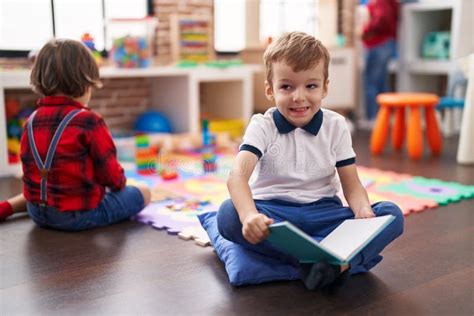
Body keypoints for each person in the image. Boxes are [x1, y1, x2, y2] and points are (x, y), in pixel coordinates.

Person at [216, 32, 404, 292]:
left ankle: (333, 265)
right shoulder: (262, 125)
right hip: (274, 215)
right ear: (270, 89)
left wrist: (362, 211)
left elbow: (351, 183)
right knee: (227, 214)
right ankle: (324, 261)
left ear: (325, 87)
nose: (298, 97)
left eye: (311, 86)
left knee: (391, 214)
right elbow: (237, 176)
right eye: (287, 87)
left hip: (324, 212)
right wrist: (250, 216)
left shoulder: (336, 125)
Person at [0, 39, 151, 230]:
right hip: (76, 216)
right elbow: (112, 177)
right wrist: (121, 185)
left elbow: (31, 172)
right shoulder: (89, 121)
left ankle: (7, 207)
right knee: (143, 192)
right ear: (84, 82)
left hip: (37, 212)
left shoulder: (31, 120)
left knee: (43, 186)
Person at [362, 0, 399, 123]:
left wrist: (365, 31)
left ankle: (373, 118)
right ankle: (384, 118)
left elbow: (382, 19)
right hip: (386, 43)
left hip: (378, 44)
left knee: (372, 83)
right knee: (381, 82)